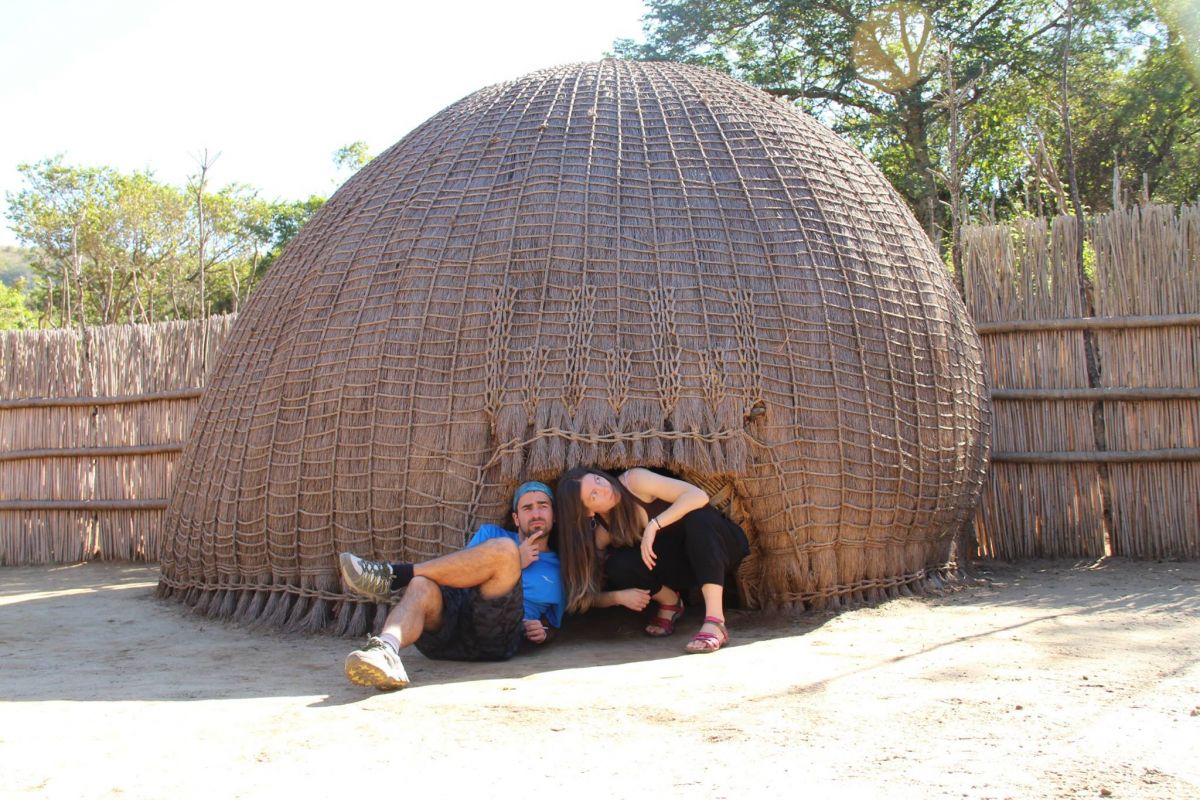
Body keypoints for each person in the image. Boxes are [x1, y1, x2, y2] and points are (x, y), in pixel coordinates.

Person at [339, 481, 563, 690]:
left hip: (497, 637)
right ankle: (385, 650)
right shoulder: (491, 534)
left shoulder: (561, 569)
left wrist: (543, 632)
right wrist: (517, 559)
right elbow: (460, 575)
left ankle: (396, 575)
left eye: (543, 506)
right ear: (516, 518)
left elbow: (554, 624)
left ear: (553, 514)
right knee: (421, 584)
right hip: (446, 635)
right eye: (527, 508)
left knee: (505, 550)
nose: (536, 514)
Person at [554, 467, 749, 654]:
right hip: (685, 568)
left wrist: (654, 526)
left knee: (697, 517)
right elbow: (585, 594)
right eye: (594, 495)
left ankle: (715, 621)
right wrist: (618, 596)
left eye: (598, 480)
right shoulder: (604, 531)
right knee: (618, 564)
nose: (605, 489)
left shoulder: (634, 481)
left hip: (720, 549)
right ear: (588, 512)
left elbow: (698, 496)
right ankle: (671, 602)